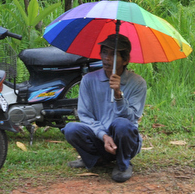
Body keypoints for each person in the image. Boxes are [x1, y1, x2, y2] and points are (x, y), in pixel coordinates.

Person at [63, 33, 147, 182]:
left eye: (114, 55)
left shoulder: (138, 83)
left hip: (125, 140)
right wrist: (104, 135)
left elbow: (131, 119)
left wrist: (118, 95)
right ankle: (96, 159)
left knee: (121, 124)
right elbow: (85, 115)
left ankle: (123, 164)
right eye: (104, 52)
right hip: (100, 138)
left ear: (126, 60)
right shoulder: (89, 80)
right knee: (71, 129)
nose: (107, 58)